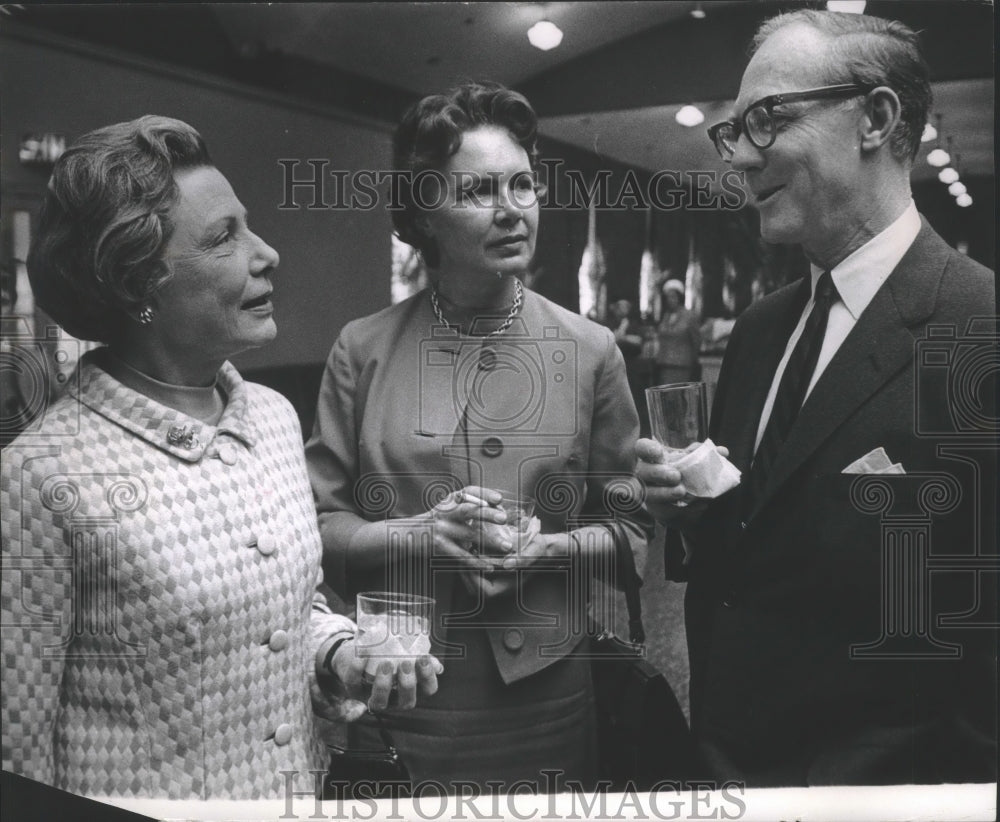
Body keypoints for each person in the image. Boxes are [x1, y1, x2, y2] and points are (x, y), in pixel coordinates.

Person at [0, 116, 441, 800]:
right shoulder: (40, 476)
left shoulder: (269, 417)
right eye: (223, 238)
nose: (267, 254)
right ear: (136, 282)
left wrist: (340, 653)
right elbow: (13, 748)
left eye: (248, 225)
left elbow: (287, 614)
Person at [637, 10, 996, 785]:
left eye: (766, 120)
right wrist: (691, 509)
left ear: (876, 118)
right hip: (727, 767)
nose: (740, 156)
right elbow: (759, 540)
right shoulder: (763, 330)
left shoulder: (980, 332)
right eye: (732, 132)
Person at [305, 81, 653, 792]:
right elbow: (320, 527)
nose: (511, 210)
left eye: (523, 184)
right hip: (405, 690)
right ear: (424, 211)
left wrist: (547, 549)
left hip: (548, 697)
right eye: (479, 191)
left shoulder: (590, 351)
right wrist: (417, 535)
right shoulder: (362, 348)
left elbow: (634, 533)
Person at [652, 279, 702, 385]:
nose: (670, 300)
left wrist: (693, 360)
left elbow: (696, 340)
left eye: (673, 297)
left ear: (679, 298)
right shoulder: (665, 316)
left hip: (682, 365)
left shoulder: (689, 316)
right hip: (665, 364)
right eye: (668, 297)